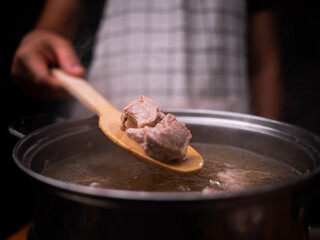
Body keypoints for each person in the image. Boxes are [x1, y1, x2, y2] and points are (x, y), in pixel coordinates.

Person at [11, 0, 282, 120]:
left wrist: (270, 153)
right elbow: (52, 28)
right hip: (104, 113)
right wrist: (39, 41)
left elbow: (264, 63)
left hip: (226, 122)